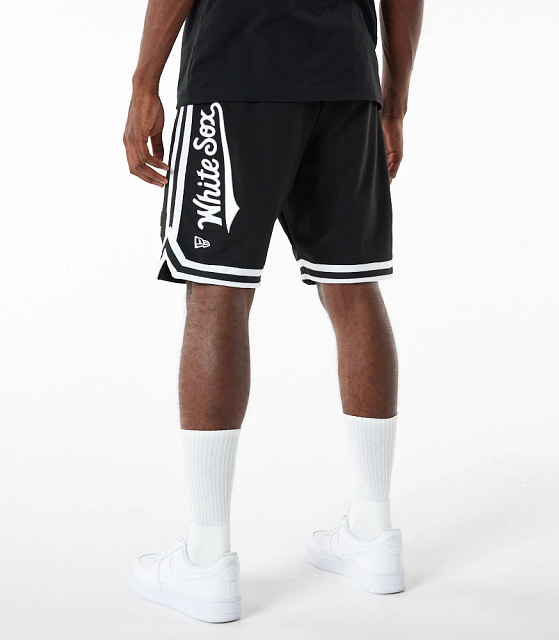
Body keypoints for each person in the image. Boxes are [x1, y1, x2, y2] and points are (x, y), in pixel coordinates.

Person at [124, 0, 423, 623]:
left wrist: (143, 83)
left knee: (216, 294)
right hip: (346, 81)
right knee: (354, 288)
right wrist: (392, 102)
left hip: (238, 71)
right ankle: (373, 533)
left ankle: (206, 559)